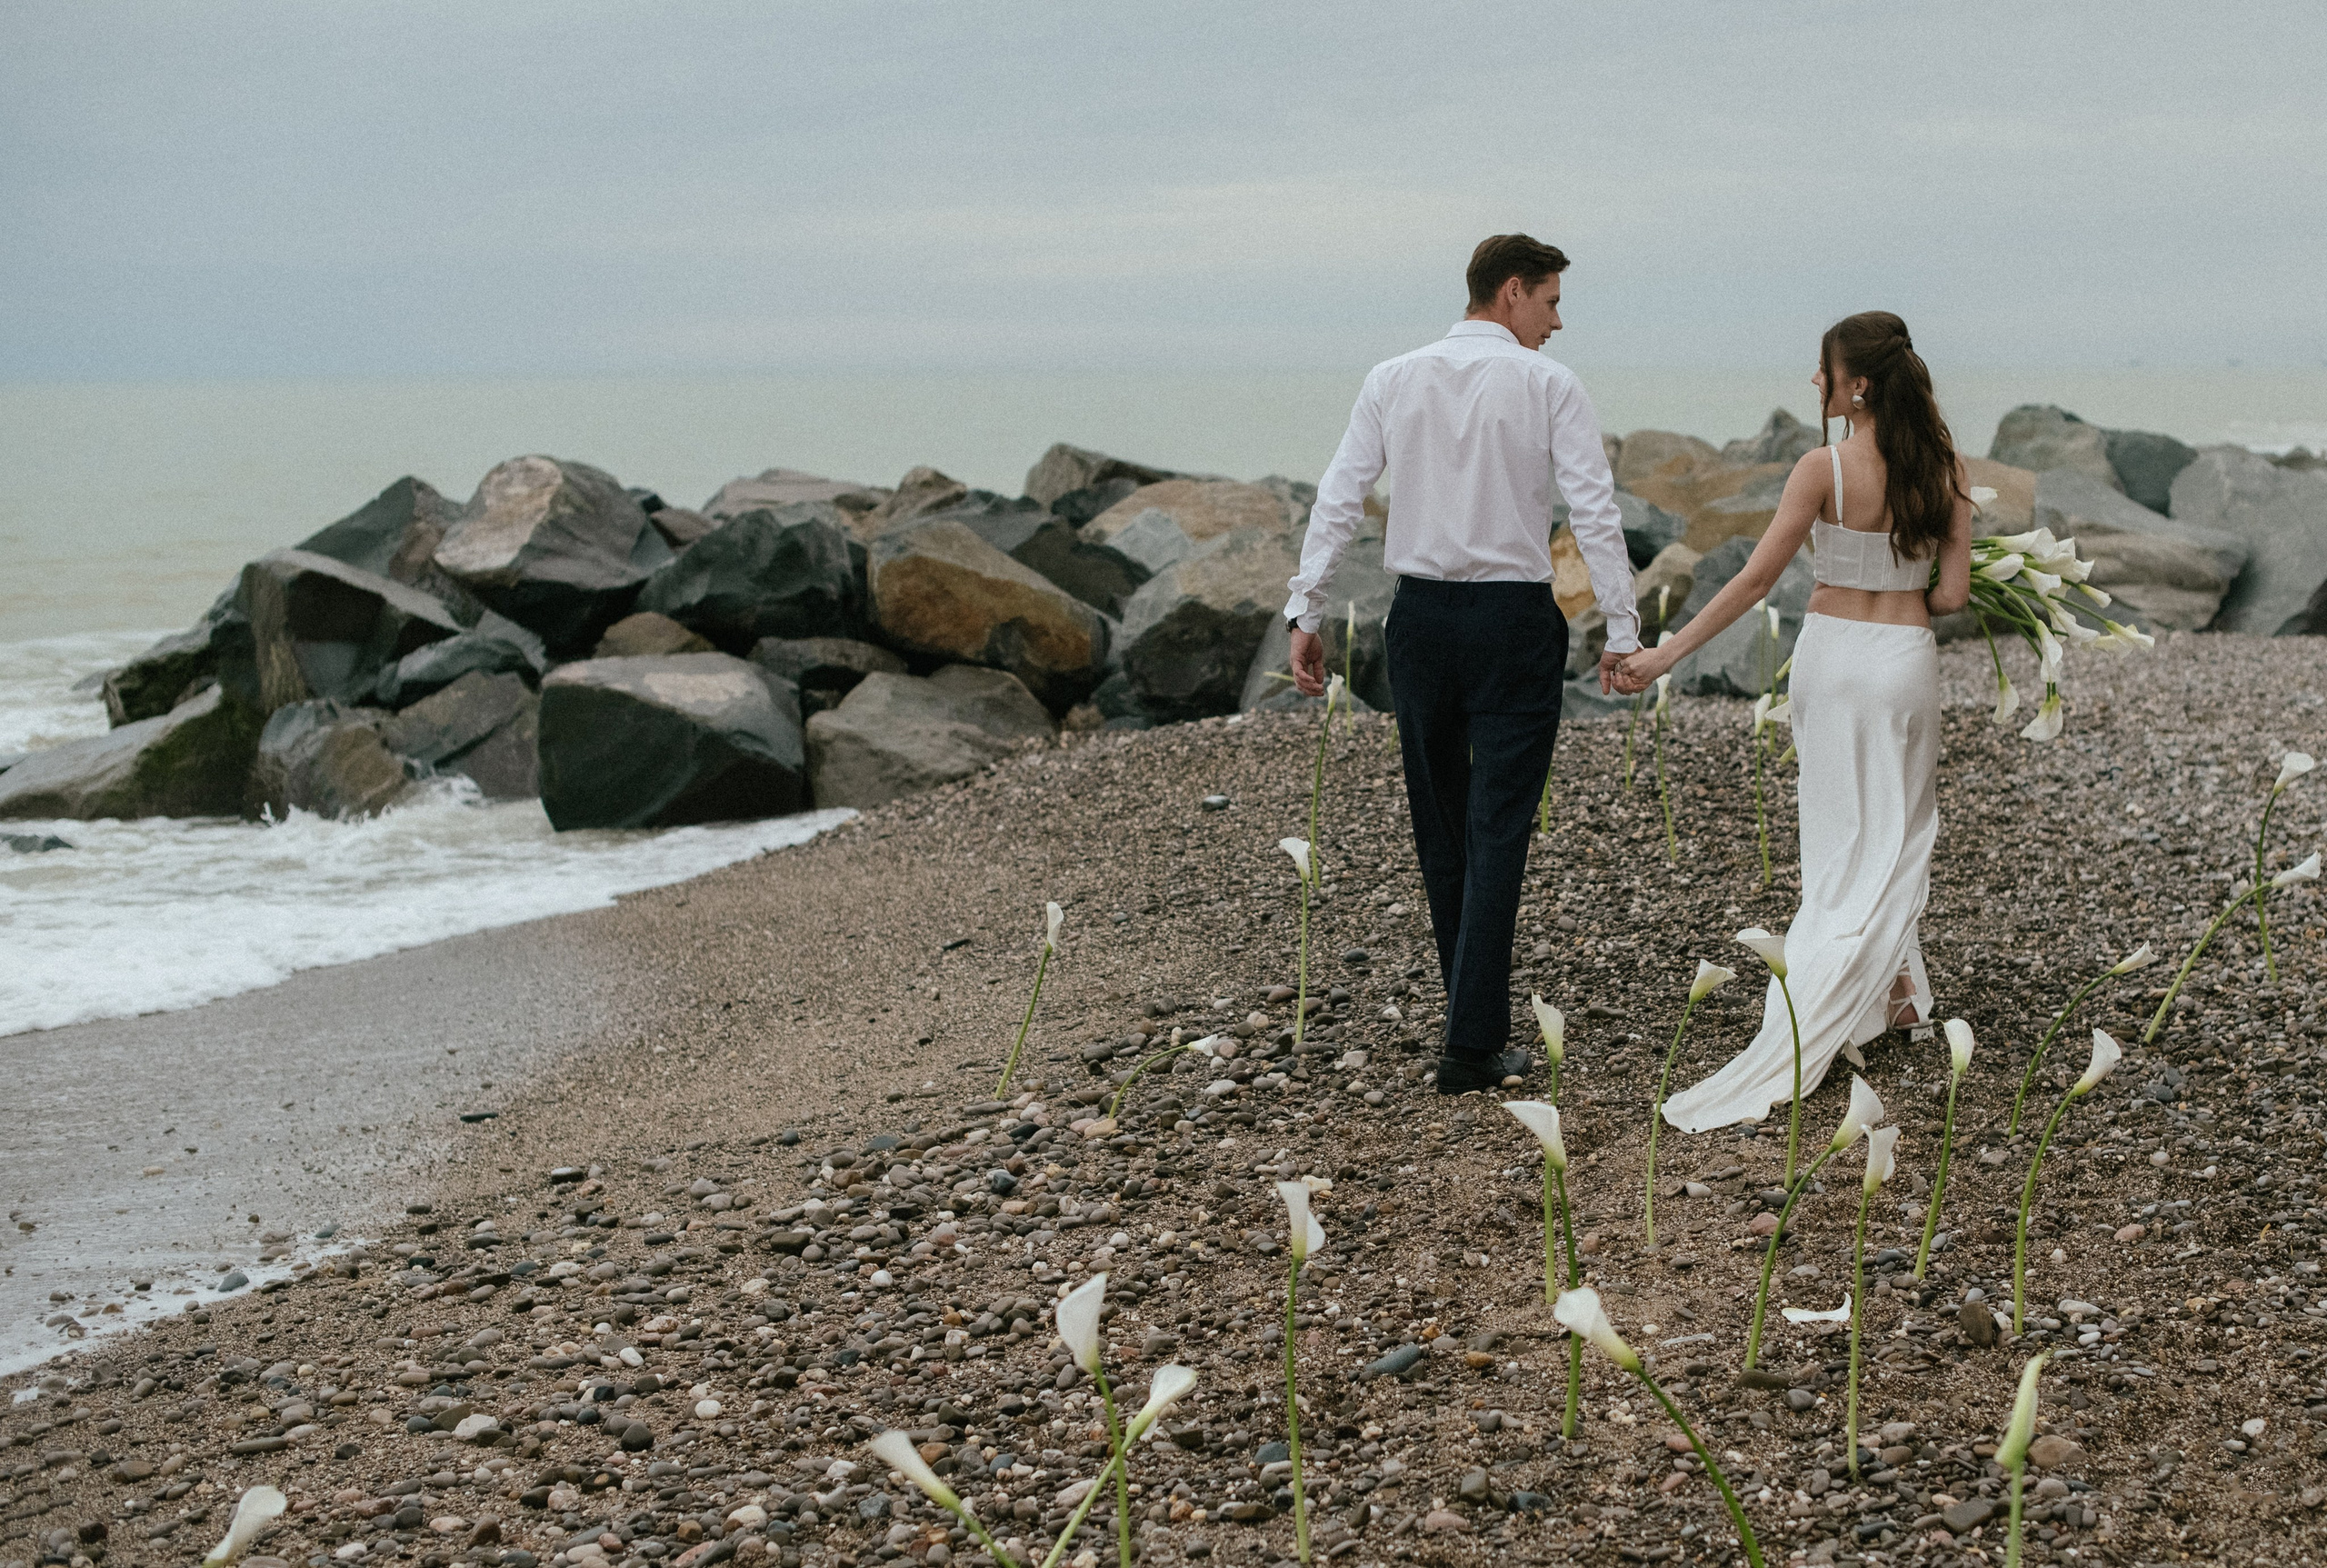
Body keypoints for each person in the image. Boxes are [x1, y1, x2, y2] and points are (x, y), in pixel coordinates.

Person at [1286, 234, 1643, 1095]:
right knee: (1499, 828)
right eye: (1551, 301)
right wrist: (1623, 631)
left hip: (1420, 621)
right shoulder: (1548, 384)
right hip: (1513, 622)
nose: (1558, 322)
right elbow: (1593, 510)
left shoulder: (1392, 377)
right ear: (1512, 291)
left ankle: (1469, 1024)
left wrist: (1307, 608)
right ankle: (1471, 1040)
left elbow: (1341, 494)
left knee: (1443, 825)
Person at [1613, 310, 1973, 1133]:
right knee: (1896, 839)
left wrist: (1664, 655)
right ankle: (1897, 994)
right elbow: (1950, 596)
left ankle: (1841, 999)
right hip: (1904, 663)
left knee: (1843, 839)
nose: (1816, 382)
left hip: (1834, 660)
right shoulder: (1944, 468)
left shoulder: (1824, 468)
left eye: (1825, 370)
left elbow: (1749, 584)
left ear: (1860, 384)